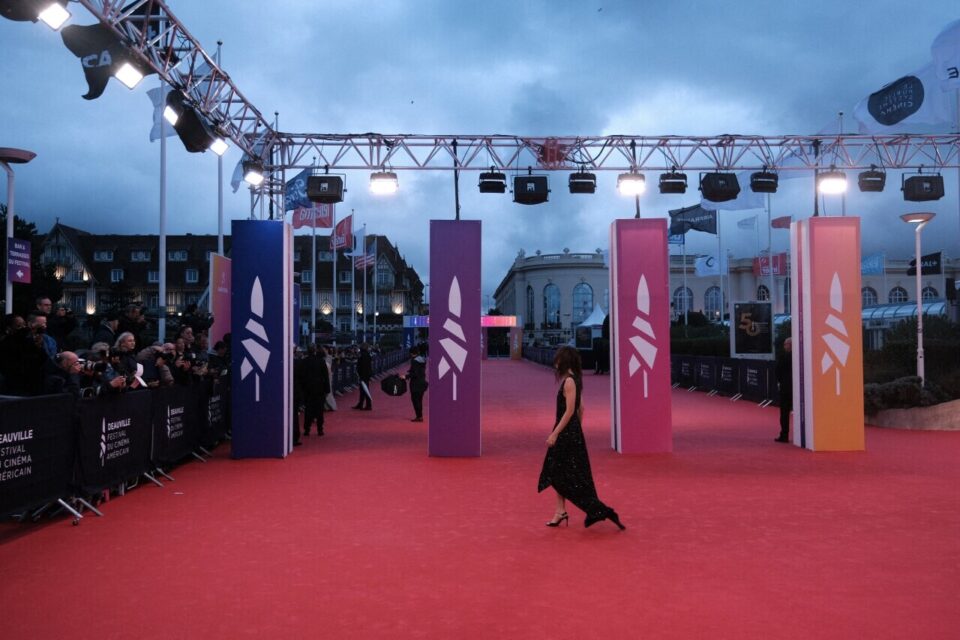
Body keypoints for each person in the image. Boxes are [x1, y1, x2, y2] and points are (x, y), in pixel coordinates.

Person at [538, 346, 625, 530]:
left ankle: (597, 510)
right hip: (572, 432)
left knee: (558, 472)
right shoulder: (575, 379)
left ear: (564, 361)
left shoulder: (569, 382)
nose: (555, 363)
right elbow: (582, 408)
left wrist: (556, 433)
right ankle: (560, 511)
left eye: (558, 360)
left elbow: (570, 411)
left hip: (565, 433)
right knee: (559, 472)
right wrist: (577, 430)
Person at [301, 344, 331, 436]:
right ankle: (320, 429)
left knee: (308, 410)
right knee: (320, 410)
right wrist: (327, 389)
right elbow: (326, 376)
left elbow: (302, 376)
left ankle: (307, 429)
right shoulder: (321, 361)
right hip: (319, 389)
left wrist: (302, 388)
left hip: (308, 389)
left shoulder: (304, 361)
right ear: (315, 351)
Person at [775, 337, 793, 443]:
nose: (784, 346)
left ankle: (784, 435)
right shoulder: (798, 357)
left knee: (784, 412)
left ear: (790, 345)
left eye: (785, 344)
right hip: (796, 387)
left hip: (786, 388)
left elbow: (778, 370)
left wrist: (779, 381)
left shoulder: (783, 357)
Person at [404, 346, 428, 422]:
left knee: (415, 400)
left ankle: (419, 416)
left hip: (415, 384)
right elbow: (419, 371)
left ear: (411, 353)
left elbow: (415, 373)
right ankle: (420, 416)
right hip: (422, 382)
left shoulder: (414, 361)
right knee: (420, 400)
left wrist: (406, 376)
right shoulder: (422, 359)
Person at [352, 343, 373, 410]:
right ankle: (361, 404)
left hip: (363, 375)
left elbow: (363, 366)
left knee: (365, 390)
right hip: (365, 374)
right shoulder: (367, 354)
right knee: (363, 390)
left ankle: (368, 405)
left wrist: (361, 375)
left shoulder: (363, 355)